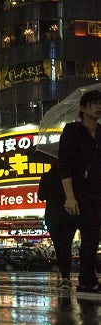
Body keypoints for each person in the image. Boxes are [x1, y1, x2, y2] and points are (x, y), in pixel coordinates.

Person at [58, 89, 101, 293]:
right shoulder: (72, 131)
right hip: (79, 192)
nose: (98, 106)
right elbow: (65, 164)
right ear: (83, 108)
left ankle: (87, 279)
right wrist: (70, 196)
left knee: (93, 236)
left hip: (97, 191)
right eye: (93, 103)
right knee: (89, 234)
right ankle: (86, 280)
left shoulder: (100, 132)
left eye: (100, 103)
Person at [38, 163, 77, 289]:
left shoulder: (46, 177)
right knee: (67, 245)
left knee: (59, 247)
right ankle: (66, 276)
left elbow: (41, 196)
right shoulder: (69, 175)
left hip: (53, 216)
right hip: (69, 214)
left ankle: (64, 277)